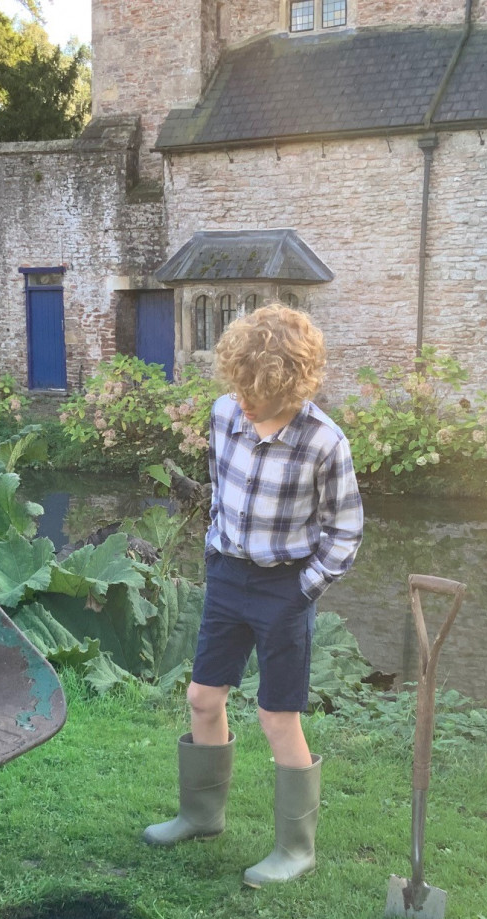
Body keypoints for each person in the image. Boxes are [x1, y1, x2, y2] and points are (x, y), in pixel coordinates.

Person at [143, 304, 364, 886]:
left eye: (256, 391)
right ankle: (201, 814)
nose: (243, 399)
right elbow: (220, 487)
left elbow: (346, 533)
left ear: (289, 385)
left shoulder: (324, 443)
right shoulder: (224, 415)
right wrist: (216, 553)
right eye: (237, 385)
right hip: (227, 578)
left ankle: (295, 849)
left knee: (276, 716)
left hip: (283, 590)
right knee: (202, 698)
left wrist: (303, 591)